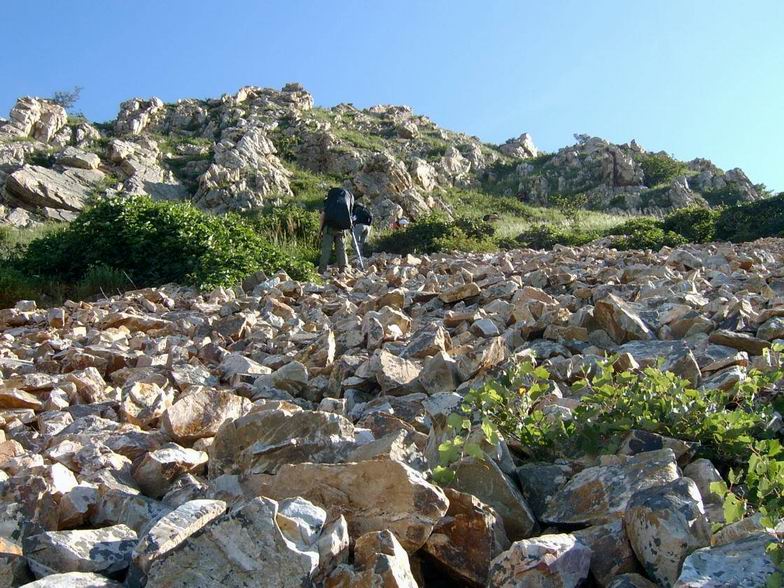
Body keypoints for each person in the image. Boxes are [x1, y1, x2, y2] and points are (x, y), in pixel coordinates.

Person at [319, 187, 354, 273]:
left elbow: (322, 216)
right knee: (341, 249)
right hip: (341, 229)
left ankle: (322, 270)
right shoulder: (343, 205)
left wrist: (320, 231)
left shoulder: (328, 204)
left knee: (326, 249)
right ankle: (343, 269)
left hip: (329, 228)